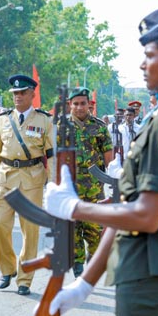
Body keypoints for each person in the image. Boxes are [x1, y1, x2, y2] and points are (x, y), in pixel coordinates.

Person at [43, 5, 158, 316]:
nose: (143, 65)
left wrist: (75, 208)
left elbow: (145, 215)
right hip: (152, 258)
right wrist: (85, 283)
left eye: (149, 55)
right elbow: (128, 208)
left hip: (147, 264)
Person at [0, 74, 54, 296]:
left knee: (30, 231)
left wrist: (53, 186)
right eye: (15, 93)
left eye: (22, 92)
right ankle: (7, 269)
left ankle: (25, 278)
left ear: (32, 94)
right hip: (5, 178)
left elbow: (51, 155)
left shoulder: (45, 120)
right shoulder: (3, 119)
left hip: (32, 180)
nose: (18, 96)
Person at [61, 87, 113, 277]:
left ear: (89, 104)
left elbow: (108, 156)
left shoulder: (99, 126)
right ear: (70, 105)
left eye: (83, 103)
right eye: (75, 104)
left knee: (95, 229)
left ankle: (93, 259)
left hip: (94, 187)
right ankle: (78, 265)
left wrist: (113, 180)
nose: (79, 107)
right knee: (72, 227)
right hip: (70, 187)